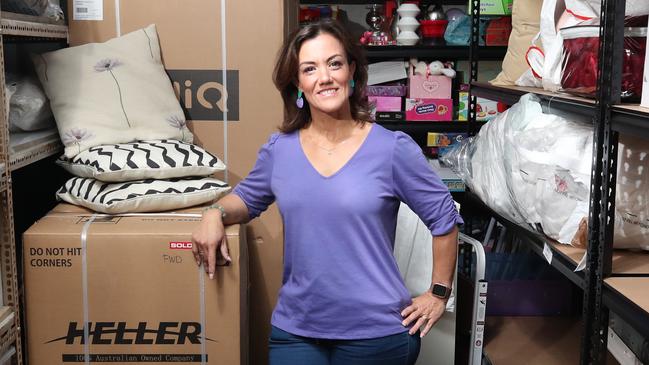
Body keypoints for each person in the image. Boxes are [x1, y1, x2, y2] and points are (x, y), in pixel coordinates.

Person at [191, 19, 463, 365]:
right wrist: (214, 213)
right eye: (310, 68)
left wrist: (438, 293)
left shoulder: (391, 149)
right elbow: (245, 199)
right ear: (297, 82)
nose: (325, 77)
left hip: (377, 334)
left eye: (334, 63)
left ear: (351, 70)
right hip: (297, 331)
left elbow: (444, 219)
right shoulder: (280, 151)